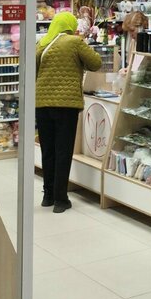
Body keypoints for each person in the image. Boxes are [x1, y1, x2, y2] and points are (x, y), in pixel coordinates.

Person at [35, 11, 102, 212]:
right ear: (70, 25)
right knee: (63, 151)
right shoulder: (75, 42)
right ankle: (60, 199)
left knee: (48, 150)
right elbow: (96, 63)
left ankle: (47, 195)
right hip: (66, 105)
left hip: (42, 104)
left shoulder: (42, 43)